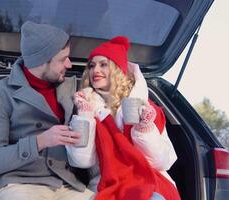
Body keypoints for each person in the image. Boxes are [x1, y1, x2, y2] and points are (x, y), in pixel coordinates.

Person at [0, 21, 94, 200]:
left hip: (65, 184)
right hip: (18, 185)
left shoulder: (73, 89)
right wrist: (40, 141)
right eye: (63, 59)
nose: (70, 65)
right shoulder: (1, 93)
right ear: (42, 61)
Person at [66, 36, 181, 200]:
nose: (95, 70)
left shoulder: (145, 107)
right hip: (106, 183)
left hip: (150, 181)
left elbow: (161, 162)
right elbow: (81, 161)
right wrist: (84, 115)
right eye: (91, 65)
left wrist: (145, 130)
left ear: (117, 69)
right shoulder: (86, 106)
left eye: (103, 64)